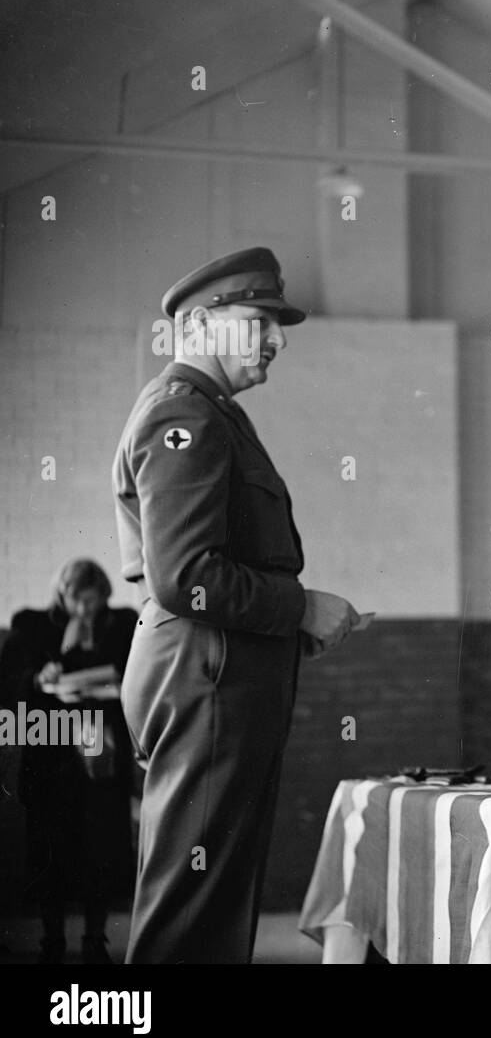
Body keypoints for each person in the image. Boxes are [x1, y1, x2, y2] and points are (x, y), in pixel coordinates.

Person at [111, 247, 360, 963]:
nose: (277, 339)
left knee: (213, 910)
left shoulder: (208, 413)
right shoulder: (184, 415)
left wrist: (289, 624)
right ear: (199, 324)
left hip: (217, 677)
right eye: (260, 320)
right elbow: (185, 573)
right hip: (206, 682)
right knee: (190, 917)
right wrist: (299, 607)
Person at [0, 559, 137, 964]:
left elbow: (137, 674)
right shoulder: (31, 626)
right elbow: (8, 683)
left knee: (102, 851)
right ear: (63, 594)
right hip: (52, 757)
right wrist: (39, 678)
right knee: (50, 851)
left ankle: (96, 940)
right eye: (78, 601)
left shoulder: (122, 625)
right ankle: (52, 939)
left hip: (100, 758)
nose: (85, 611)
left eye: (93, 603)